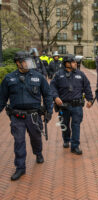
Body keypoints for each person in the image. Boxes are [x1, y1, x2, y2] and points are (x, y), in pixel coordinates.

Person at [0, 51, 53, 181]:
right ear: (18, 63)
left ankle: (38, 152)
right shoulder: (9, 78)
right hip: (17, 116)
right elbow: (2, 99)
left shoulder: (38, 77)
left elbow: (47, 95)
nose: (29, 63)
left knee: (36, 138)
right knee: (19, 141)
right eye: (25, 61)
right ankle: (20, 167)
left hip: (33, 116)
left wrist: (49, 111)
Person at [50, 54, 93, 155]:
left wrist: (90, 99)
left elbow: (87, 87)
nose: (75, 64)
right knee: (64, 124)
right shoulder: (58, 75)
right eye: (73, 62)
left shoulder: (81, 74)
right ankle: (66, 139)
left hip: (77, 106)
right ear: (67, 64)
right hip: (63, 106)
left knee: (76, 125)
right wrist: (55, 97)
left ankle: (75, 146)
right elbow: (52, 87)